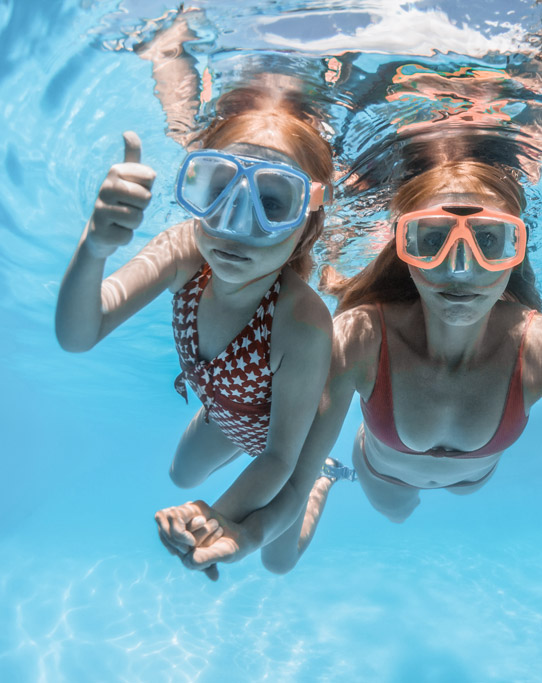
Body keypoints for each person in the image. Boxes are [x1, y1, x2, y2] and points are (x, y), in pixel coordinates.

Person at [157, 160, 542, 589]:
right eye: (431, 238)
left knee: (431, 502)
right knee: (338, 537)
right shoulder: (360, 338)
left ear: (517, 251)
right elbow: (293, 481)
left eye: (489, 240)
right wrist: (244, 530)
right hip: (384, 473)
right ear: (403, 247)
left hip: (472, 479)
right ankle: (337, 477)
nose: (459, 268)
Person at [55, 84, 343, 579]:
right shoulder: (185, 252)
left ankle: (323, 480)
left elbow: (277, 456)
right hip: (224, 416)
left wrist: (216, 516)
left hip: (282, 442)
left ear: (308, 218)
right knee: (179, 474)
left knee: (279, 560)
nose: (235, 224)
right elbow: (79, 333)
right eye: (218, 190)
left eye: (273, 203)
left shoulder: (301, 321)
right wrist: (94, 247)